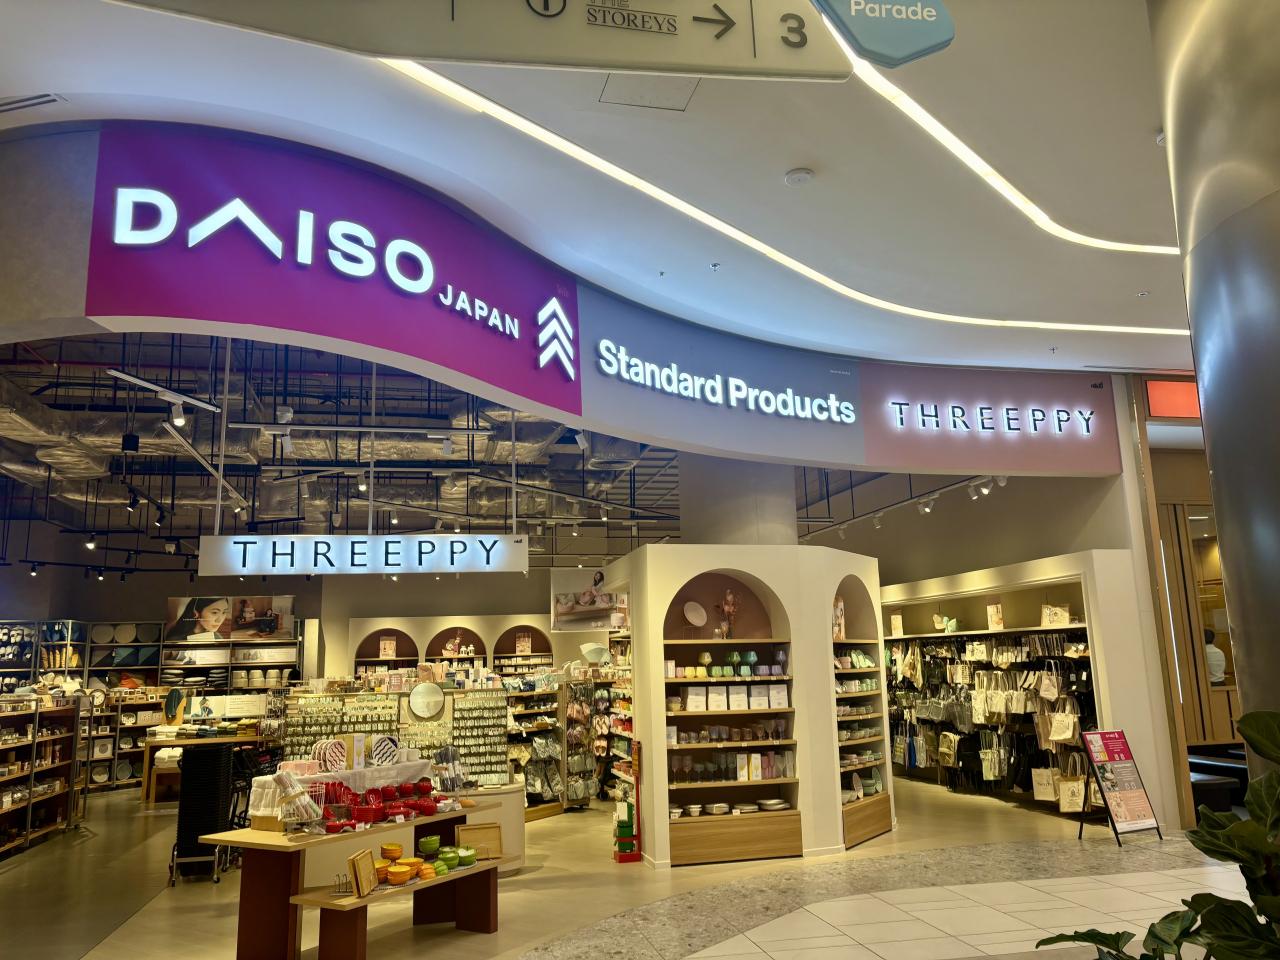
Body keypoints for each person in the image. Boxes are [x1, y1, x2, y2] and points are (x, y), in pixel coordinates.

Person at [166, 597, 231, 641]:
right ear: (196, 613)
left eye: (224, 612)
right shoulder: (177, 639)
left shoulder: (217, 637)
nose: (219, 620)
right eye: (214, 612)